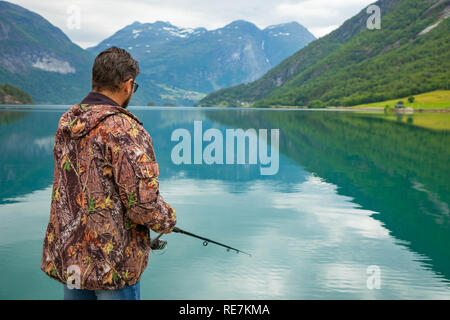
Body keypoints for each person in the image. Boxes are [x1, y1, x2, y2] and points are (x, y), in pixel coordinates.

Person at [40, 47, 177, 300]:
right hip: (112, 266)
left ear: (96, 81)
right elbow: (142, 205)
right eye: (133, 88)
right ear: (128, 84)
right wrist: (168, 220)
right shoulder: (124, 129)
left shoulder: (67, 122)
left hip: (71, 260)